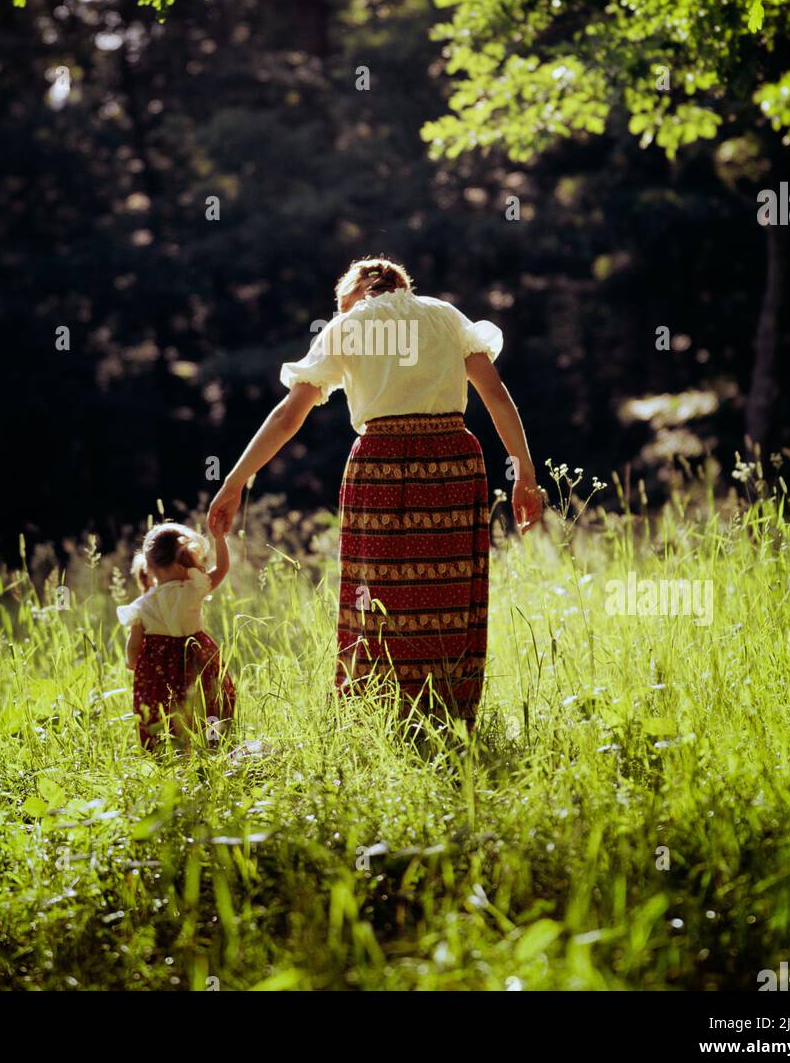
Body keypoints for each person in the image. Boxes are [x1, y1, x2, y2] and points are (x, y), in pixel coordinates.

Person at [208, 256, 543, 732]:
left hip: (380, 464)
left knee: (377, 590)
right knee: (448, 589)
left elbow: (288, 417)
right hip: (452, 461)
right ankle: (449, 713)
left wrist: (234, 481)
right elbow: (497, 396)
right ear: (402, 288)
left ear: (353, 293)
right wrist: (523, 475)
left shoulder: (346, 326)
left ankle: (377, 714)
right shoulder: (444, 316)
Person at [118, 520, 236, 749]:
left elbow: (133, 646)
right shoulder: (192, 589)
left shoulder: (142, 605)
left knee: (163, 711)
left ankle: (167, 752)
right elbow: (221, 569)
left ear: (149, 567)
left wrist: (134, 663)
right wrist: (220, 538)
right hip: (196, 659)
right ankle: (212, 745)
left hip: (158, 670)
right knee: (206, 702)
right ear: (184, 557)